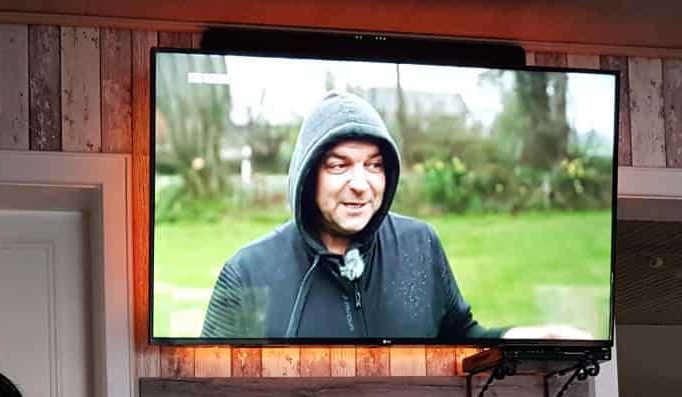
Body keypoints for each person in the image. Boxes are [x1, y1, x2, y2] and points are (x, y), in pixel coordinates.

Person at [202, 90, 478, 341]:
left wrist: (504, 339)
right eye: (338, 165)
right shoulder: (248, 273)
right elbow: (210, 375)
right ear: (308, 175)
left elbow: (462, 336)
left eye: (374, 165)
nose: (360, 184)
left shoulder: (419, 245)